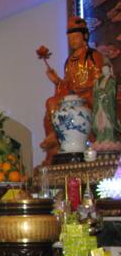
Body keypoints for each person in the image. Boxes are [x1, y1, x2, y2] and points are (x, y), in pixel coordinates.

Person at [40, 16, 105, 164]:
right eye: (70, 38)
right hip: (73, 96)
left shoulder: (93, 56)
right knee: (51, 102)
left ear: (84, 36)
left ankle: (61, 137)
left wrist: (83, 89)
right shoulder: (69, 61)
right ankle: (54, 139)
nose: (72, 41)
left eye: (76, 37)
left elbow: (99, 80)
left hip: (89, 94)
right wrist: (57, 81)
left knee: (92, 102)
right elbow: (67, 85)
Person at [92, 61, 121, 151]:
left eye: (106, 69)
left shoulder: (111, 80)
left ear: (109, 70)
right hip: (99, 103)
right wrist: (97, 91)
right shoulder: (99, 80)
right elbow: (96, 91)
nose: (104, 71)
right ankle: (101, 137)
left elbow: (112, 90)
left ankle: (109, 137)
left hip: (107, 104)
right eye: (103, 69)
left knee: (108, 120)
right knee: (99, 119)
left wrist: (105, 94)